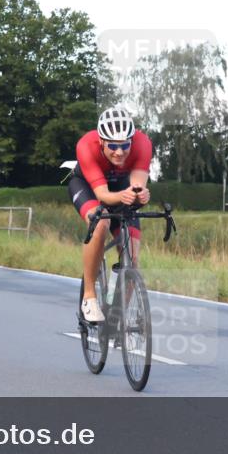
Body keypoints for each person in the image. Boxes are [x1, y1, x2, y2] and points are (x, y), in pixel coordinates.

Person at [68, 107, 152, 323]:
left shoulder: (143, 144)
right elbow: (103, 195)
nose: (119, 152)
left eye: (124, 145)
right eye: (112, 146)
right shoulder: (86, 146)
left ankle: (115, 316)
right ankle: (89, 296)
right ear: (102, 142)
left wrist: (140, 194)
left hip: (121, 188)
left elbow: (137, 183)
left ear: (132, 141)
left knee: (132, 257)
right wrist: (124, 195)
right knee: (100, 222)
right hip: (88, 187)